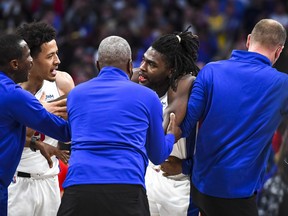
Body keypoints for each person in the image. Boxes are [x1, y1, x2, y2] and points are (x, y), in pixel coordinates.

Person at [57, 35, 180, 216]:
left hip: (79, 187)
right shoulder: (148, 97)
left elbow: (68, 134)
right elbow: (158, 155)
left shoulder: (76, 94)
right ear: (130, 65)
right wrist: (171, 136)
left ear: (98, 65)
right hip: (127, 187)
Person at [180, 18, 288, 216]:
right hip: (237, 195)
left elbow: (185, 127)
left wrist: (186, 165)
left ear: (248, 40)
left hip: (199, 188)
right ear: (279, 51)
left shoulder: (210, 70)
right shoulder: (282, 85)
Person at [7, 21, 75, 216]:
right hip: (17, 183)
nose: (58, 60)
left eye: (57, 53)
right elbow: (7, 135)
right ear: (31, 59)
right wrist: (41, 115)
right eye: (50, 56)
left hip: (50, 180)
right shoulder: (12, 90)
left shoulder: (63, 82)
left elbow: (73, 134)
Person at [134, 29, 200, 216]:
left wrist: (186, 166)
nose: (143, 67)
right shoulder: (141, 78)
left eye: (152, 64)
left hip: (180, 187)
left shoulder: (186, 86)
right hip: (149, 178)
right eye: (144, 60)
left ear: (171, 71)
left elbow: (161, 135)